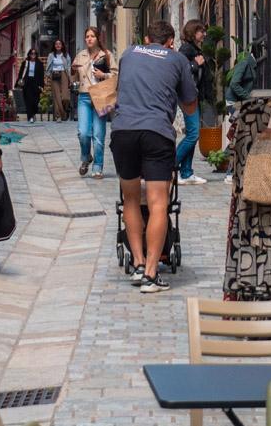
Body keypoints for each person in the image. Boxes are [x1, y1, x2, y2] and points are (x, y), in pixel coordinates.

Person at [112, 22, 197, 293]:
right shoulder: (177, 59)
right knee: (159, 202)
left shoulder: (127, 54)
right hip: (156, 131)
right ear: (170, 42)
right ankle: (150, 275)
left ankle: (137, 264)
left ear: (146, 39)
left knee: (131, 198)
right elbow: (190, 103)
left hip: (123, 130)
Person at [72, 26, 114, 179]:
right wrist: (72, 72)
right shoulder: (80, 55)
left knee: (98, 134)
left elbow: (116, 75)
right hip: (84, 96)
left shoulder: (107, 55)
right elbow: (74, 77)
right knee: (83, 133)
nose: (89, 39)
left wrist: (104, 74)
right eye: (87, 36)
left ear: (98, 38)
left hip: (101, 95)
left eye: (92, 36)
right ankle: (85, 157)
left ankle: (98, 166)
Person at [178, 20, 214, 186]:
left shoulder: (194, 49)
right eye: (201, 31)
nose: (204, 34)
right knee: (193, 134)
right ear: (193, 32)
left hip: (194, 96)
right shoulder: (186, 49)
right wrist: (194, 64)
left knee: (192, 133)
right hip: (188, 96)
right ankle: (168, 167)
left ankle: (186, 172)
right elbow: (180, 71)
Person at [47, 38, 72, 120]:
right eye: (56, 44)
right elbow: (48, 66)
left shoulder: (66, 55)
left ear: (62, 45)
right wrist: (48, 76)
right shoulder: (51, 55)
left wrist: (70, 79)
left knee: (65, 97)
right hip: (54, 75)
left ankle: (64, 112)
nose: (58, 45)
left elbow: (68, 67)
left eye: (59, 44)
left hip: (64, 74)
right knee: (56, 96)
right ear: (54, 46)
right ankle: (58, 116)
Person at [19, 48, 44, 120]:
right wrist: (20, 81)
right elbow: (21, 73)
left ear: (36, 55)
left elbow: (41, 75)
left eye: (34, 53)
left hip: (36, 83)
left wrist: (42, 85)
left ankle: (33, 113)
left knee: (35, 101)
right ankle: (30, 117)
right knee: (28, 101)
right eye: (31, 53)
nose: (33, 55)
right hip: (27, 83)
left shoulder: (39, 64)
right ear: (29, 54)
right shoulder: (25, 63)